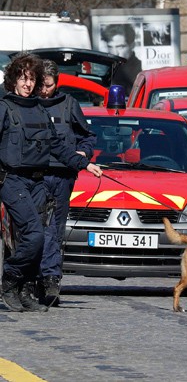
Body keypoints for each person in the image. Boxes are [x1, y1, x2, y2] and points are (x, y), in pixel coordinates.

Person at [0, 53, 103, 312]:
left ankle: (24, 291)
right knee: (34, 234)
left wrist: (84, 163)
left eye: (32, 79)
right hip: (12, 181)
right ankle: (9, 279)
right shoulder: (3, 107)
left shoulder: (37, 108)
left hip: (38, 181)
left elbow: (57, 145)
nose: (28, 84)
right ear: (13, 80)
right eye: (23, 79)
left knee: (37, 239)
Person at [36, 60, 97, 306]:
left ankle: (50, 279)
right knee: (33, 229)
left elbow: (87, 136)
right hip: (34, 175)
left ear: (56, 84)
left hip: (62, 175)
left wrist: (84, 153)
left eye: (48, 86)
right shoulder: (27, 104)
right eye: (40, 84)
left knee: (54, 229)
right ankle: (29, 278)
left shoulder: (69, 105)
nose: (43, 90)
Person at [103, 23, 142, 96]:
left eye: (120, 47)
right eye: (110, 47)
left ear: (132, 45)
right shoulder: (107, 69)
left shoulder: (141, 70)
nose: (115, 52)